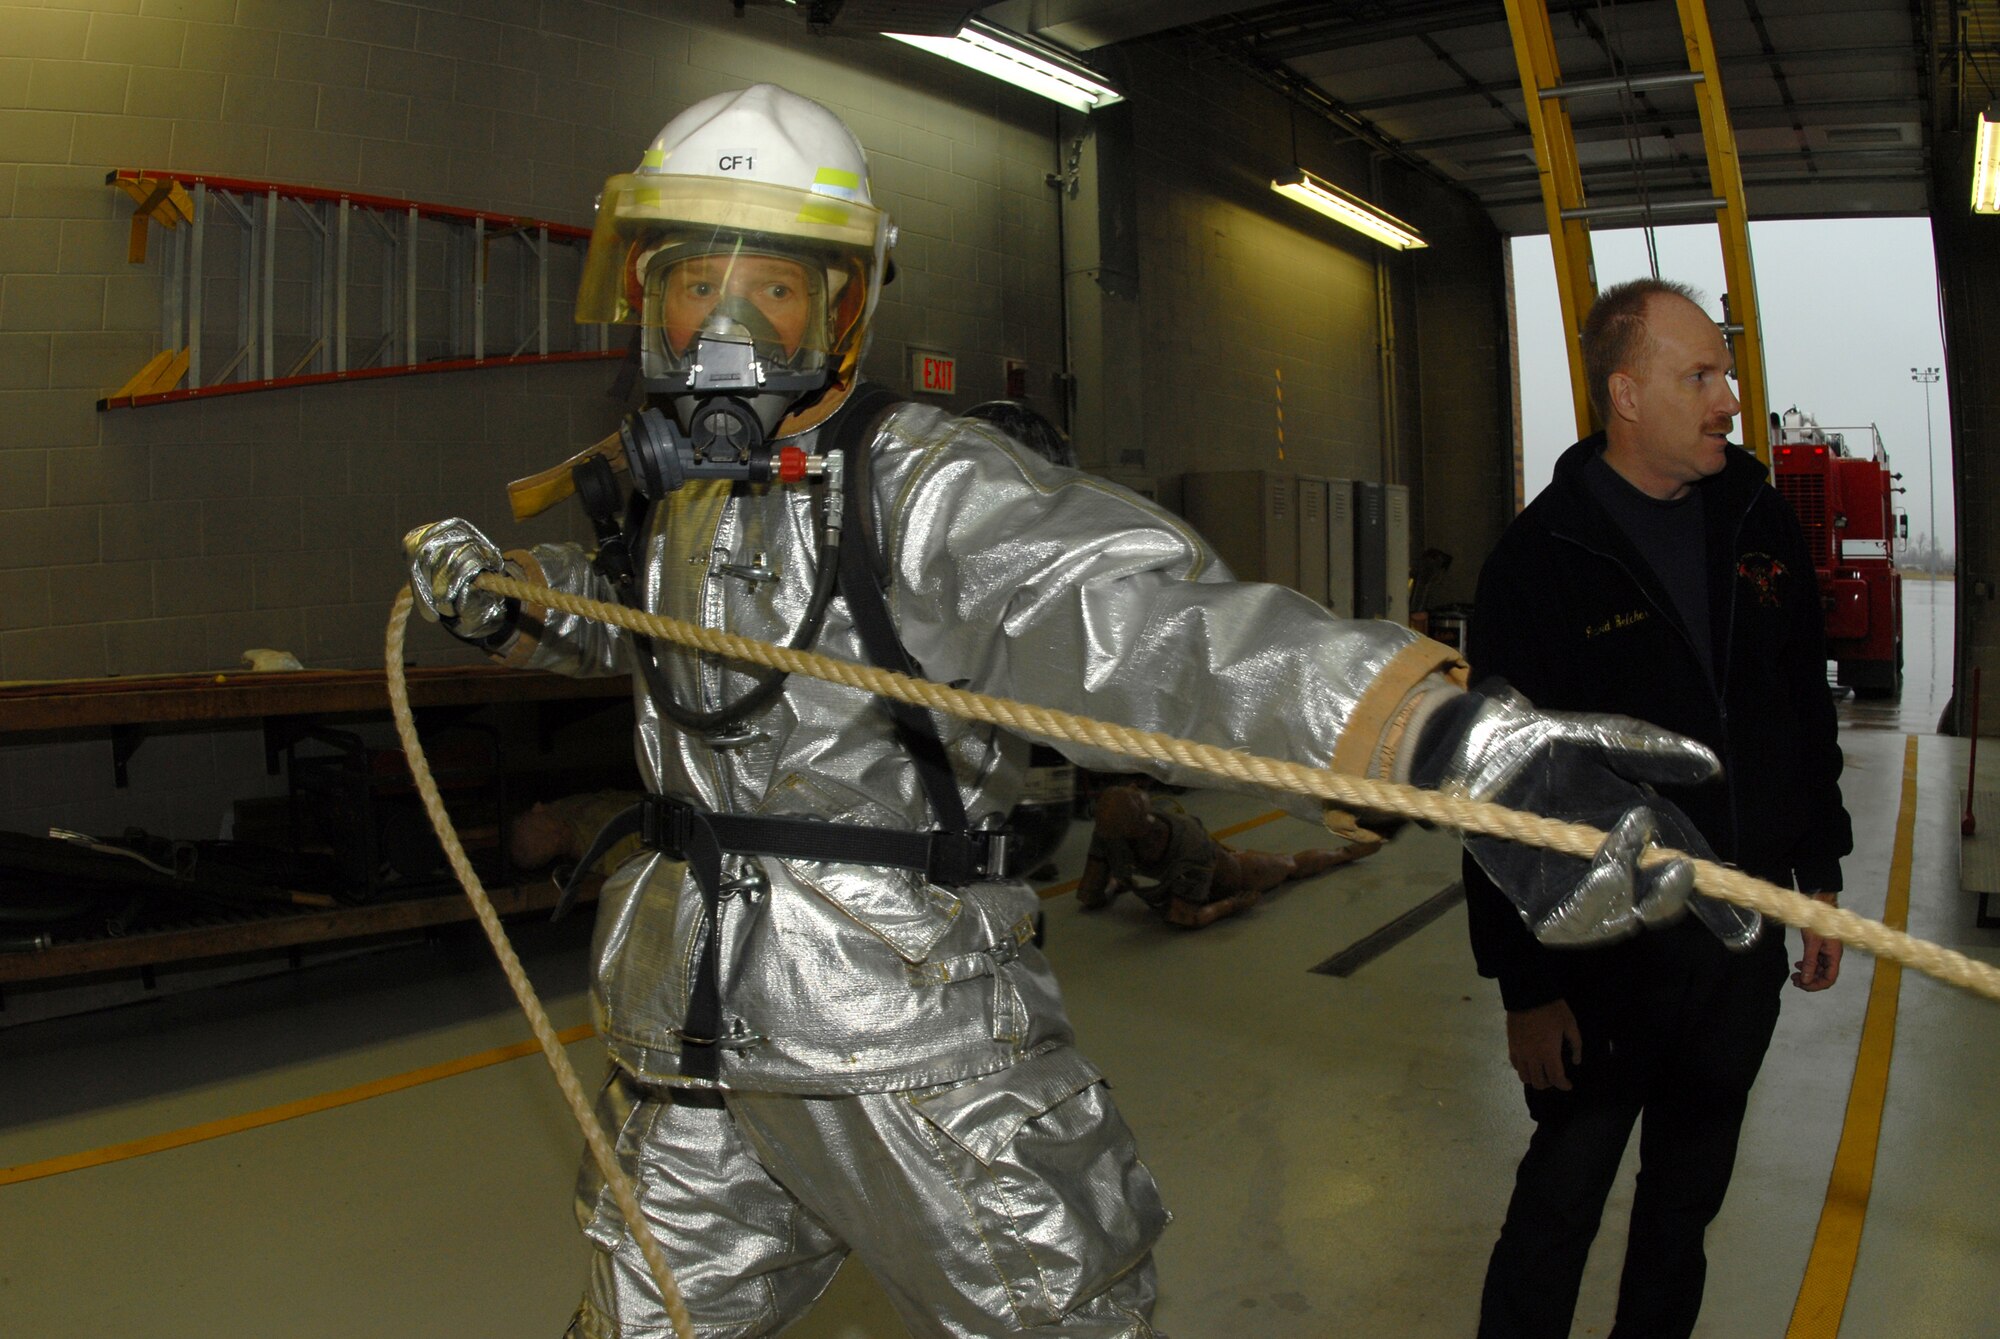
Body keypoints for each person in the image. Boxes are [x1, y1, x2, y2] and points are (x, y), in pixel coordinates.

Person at [404, 84, 1734, 1339]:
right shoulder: (683, 494)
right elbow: (658, 628)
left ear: (841, 310)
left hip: (901, 1038)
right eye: (697, 285)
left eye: (771, 289)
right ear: (647, 294)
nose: (724, 330)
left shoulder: (921, 487)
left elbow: (1154, 626)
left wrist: (1444, 738)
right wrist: (515, 593)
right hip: (684, 1040)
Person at [1463, 277, 1852, 1339]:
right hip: (1602, 966)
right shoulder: (1538, 565)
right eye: (1701, 376)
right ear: (1625, 394)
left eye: (1722, 372)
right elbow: (1497, 787)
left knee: (1682, 1210)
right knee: (1559, 1204)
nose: (1728, 397)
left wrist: (1815, 872)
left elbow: (1793, 706)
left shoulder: (1755, 519)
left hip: (1734, 944)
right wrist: (1525, 987)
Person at [1074, 781, 1377, 927]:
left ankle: (1344, 854)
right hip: (1229, 878)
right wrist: (1232, 904)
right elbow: (1186, 917)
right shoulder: (1185, 841)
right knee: (1289, 864)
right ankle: (1345, 853)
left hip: (1205, 868)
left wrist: (1114, 884)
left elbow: (1088, 893)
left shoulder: (1109, 831)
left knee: (1279, 865)